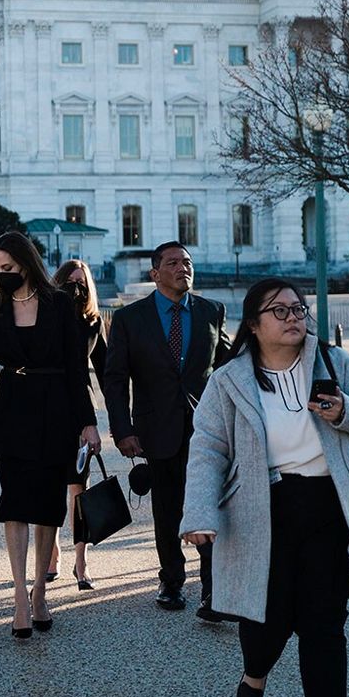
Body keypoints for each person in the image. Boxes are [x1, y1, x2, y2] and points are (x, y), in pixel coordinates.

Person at [180, 278, 349, 697]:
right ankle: (253, 680)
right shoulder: (230, 379)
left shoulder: (332, 362)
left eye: (298, 309)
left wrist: (346, 411)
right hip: (261, 507)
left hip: (326, 509)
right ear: (254, 324)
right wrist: (199, 511)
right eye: (279, 311)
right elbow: (208, 447)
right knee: (265, 618)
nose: (293, 317)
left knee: (325, 622)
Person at [0, 232, 101, 639]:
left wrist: (88, 422)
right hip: (13, 409)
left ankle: (39, 592)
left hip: (56, 411)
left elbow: (75, 369)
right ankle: (19, 595)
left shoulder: (61, 304)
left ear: (27, 264)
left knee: (48, 506)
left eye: (9, 269)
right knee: (15, 503)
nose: (3, 276)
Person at [104, 241, 230, 617]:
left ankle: (213, 590)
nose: (183, 268)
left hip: (206, 431)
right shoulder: (129, 319)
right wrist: (122, 429)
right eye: (173, 263)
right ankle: (172, 581)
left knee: (208, 504)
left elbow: (227, 368)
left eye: (188, 262)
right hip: (154, 429)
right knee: (167, 509)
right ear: (155, 273)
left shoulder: (212, 311)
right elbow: (115, 379)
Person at [47, 259, 107, 589]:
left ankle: (80, 561)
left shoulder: (93, 321)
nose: (76, 286)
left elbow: (107, 370)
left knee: (78, 491)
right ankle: (51, 552)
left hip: (82, 414)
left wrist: (119, 421)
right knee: (53, 486)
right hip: (50, 409)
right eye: (69, 281)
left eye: (81, 281)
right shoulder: (48, 316)